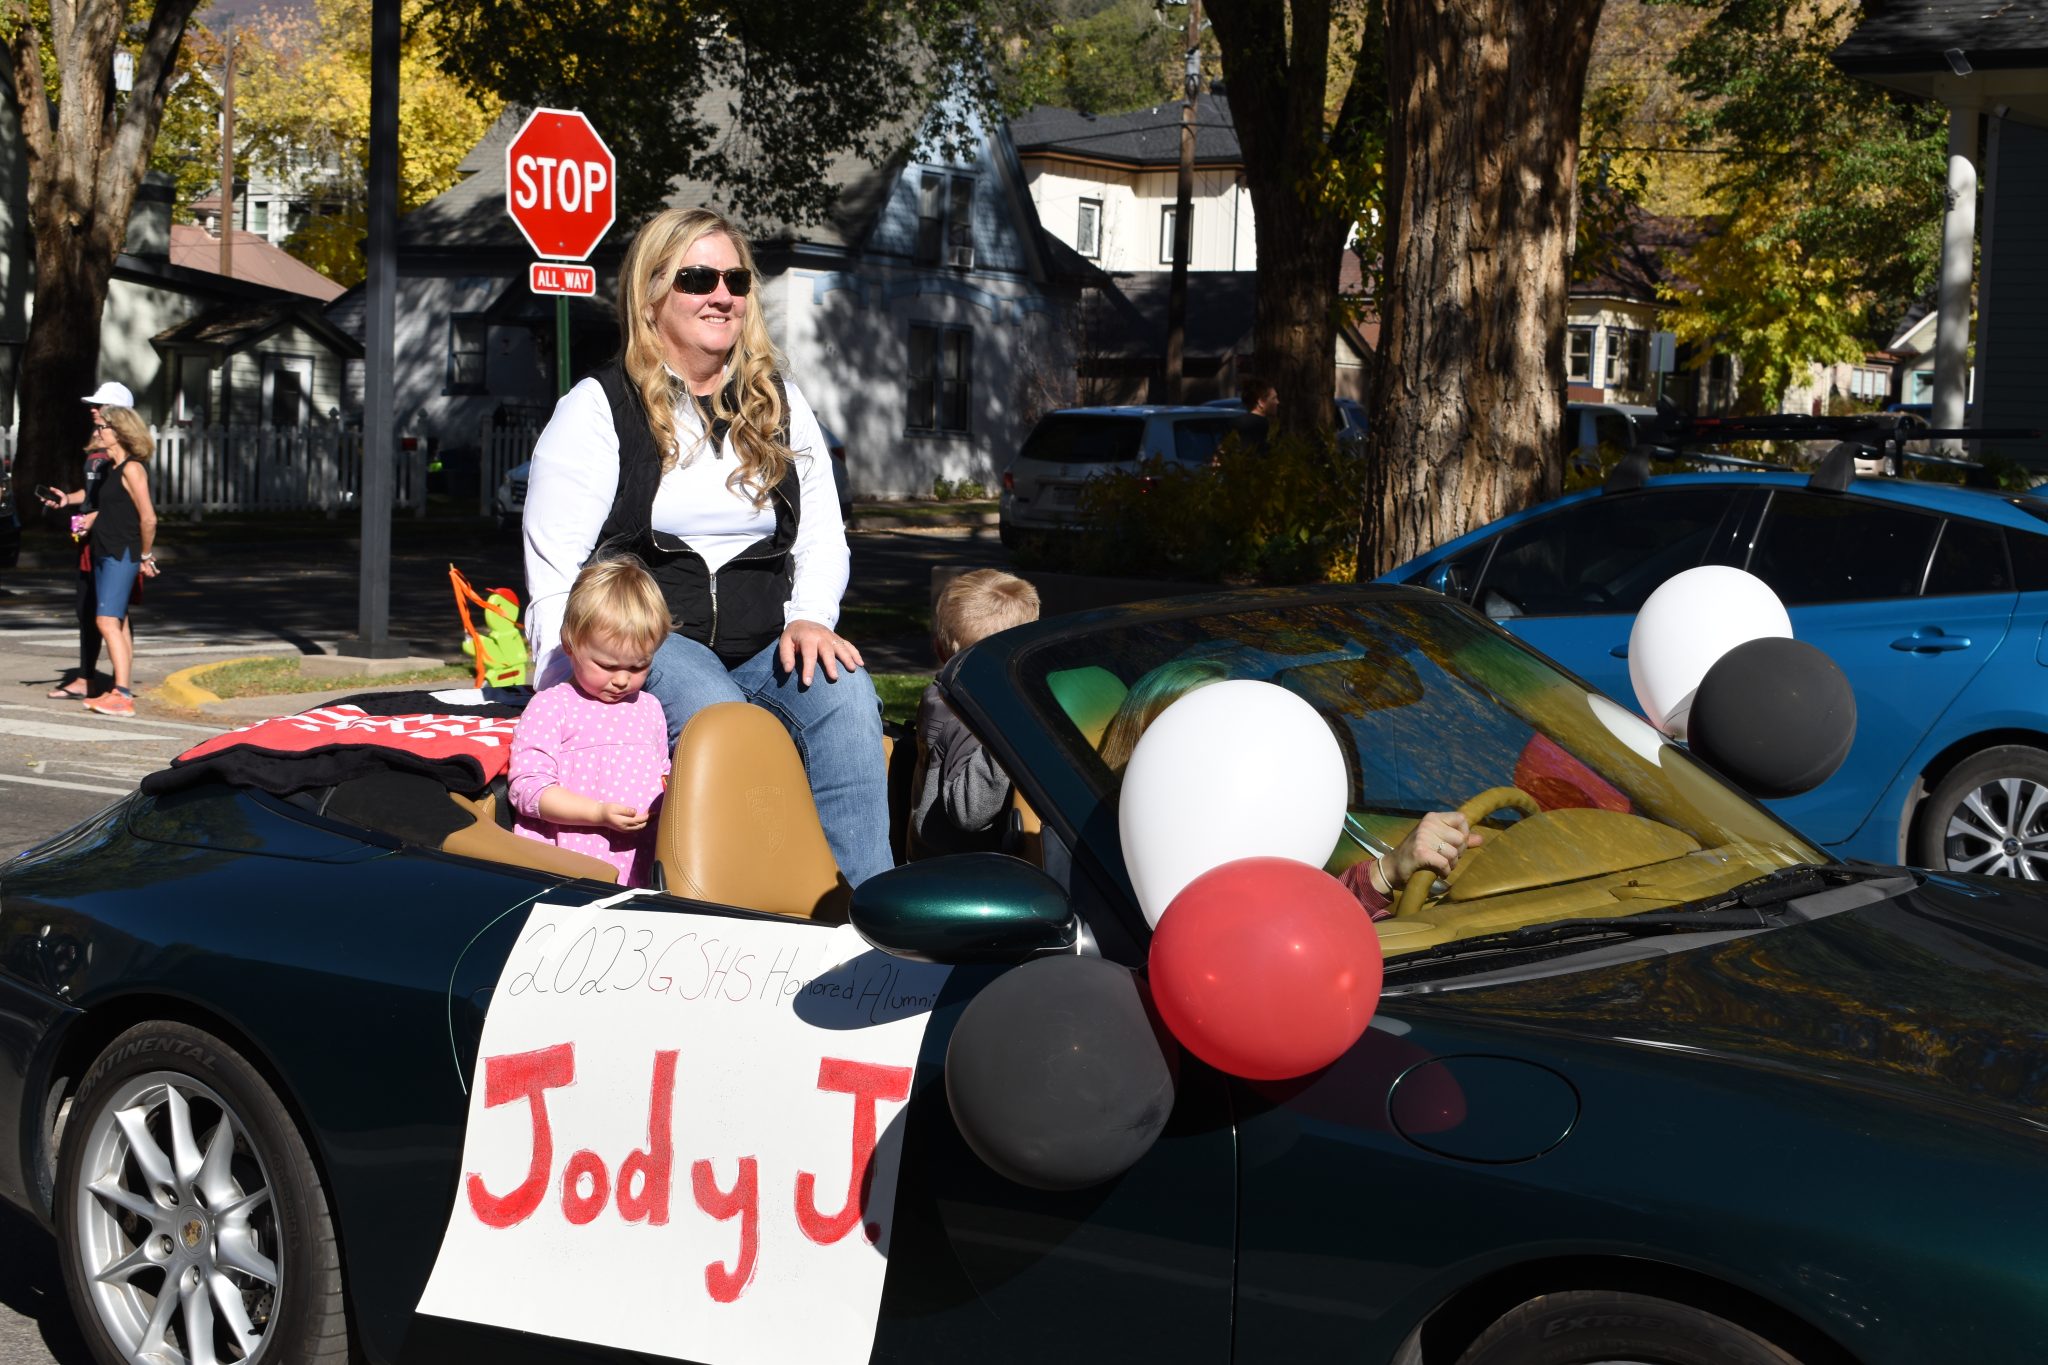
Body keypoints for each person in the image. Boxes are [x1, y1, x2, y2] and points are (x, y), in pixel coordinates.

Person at [522, 207, 891, 885]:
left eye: (736, 278)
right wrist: (561, 693)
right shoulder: (598, 408)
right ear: (652, 294)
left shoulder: (780, 402)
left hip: (765, 638)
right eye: (697, 277)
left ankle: (870, 923)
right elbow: (553, 576)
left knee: (846, 691)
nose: (722, 294)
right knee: (721, 714)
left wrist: (812, 617)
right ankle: (741, 920)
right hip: (654, 640)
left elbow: (821, 536)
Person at [1097, 655, 1481, 919]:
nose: (1229, 741)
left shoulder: (1262, 824)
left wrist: (1389, 869)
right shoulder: (1122, 873)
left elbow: (1301, 918)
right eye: (1203, 726)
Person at [507, 557, 672, 887]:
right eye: (608, 666)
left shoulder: (649, 707)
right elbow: (527, 789)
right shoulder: (554, 706)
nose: (622, 679)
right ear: (570, 645)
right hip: (570, 864)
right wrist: (597, 814)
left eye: (639, 666)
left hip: (639, 862)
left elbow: (663, 776)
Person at [911, 570, 1041, 856]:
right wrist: (1009, 728)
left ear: (939, 649)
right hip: (961, 876)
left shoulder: (944, 696)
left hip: (938, 861)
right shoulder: (968, 720)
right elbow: (970, 812)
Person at [39, 407, 159, 716]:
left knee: (105, 621)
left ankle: (122, 695)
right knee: (117, 620)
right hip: (105, 550)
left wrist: (145, 555)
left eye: (103, 427)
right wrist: (81, 514)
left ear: (120, 432)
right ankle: (121, 689)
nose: (97, 432)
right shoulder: (112, 469)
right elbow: (108, 509)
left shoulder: (133, 468)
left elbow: (148, 519)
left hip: (122, 552)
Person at [45, 383, 134, 699]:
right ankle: (90, 678)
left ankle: (119, 687)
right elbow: (94, 495)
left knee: (112, 613)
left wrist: (91, 519)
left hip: (114, 541)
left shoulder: (123, 457)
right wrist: (69, 499)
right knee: (88, 608)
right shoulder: (96, 452)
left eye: (100, 406)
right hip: (92, 541)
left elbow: (123, 503)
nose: (93, 410)